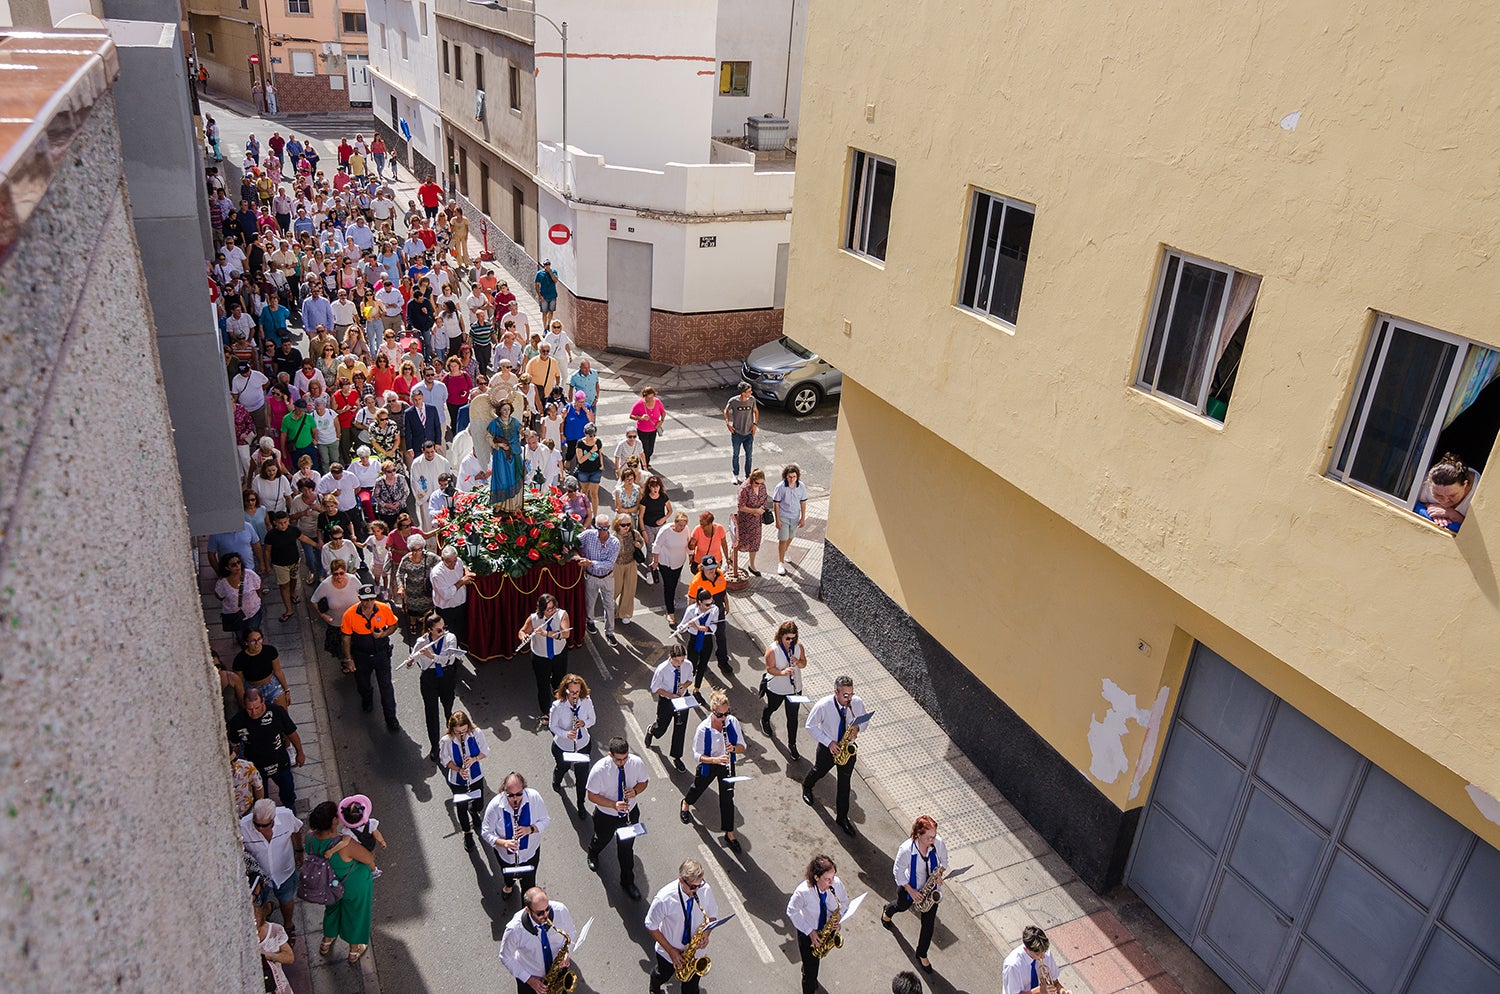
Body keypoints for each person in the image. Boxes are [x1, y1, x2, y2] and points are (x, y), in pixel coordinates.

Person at [305, 800, 375, 965]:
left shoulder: (309, 837)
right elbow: (369, 858)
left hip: (328, 886)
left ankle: (326, 942)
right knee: (356, 915)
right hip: (353, 887)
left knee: (331, 909)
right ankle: (353, 950)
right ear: (334, 821)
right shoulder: (344, 843)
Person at [881, 815, 949, 974]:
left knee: (929, 924)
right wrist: (911, 891)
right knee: (901, 906)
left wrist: (939, 875)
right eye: (928, 837)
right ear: (918, 834)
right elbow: (897, 872)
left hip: (930, 889)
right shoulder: (906, 849)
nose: (932, 840)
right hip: (910, 887)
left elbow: (944, 861)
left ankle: (922, 953)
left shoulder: (938, 842)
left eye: (934, 836)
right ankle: (887, 911)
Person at [680, 690, 746, 852]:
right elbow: (698, 755)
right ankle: (686, 803)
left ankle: (729, 833)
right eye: (720, 715)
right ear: (712, 710)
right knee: (698, 787)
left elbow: (742, 747)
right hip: (709, 763)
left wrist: (734, 749)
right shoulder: (703, 729)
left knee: (727, 797)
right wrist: (715, 760)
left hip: (726, 763)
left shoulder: (732, 722)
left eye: (726, 714)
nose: (724, 718)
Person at [801, 676, 867, 836]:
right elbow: (810, 726)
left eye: (851, 694)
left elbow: (865, 721)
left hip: (848, 748)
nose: (849, 698)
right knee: (819, 771)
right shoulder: (824, 705)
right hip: (828, 749)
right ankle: (807, 786)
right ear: (835, 692)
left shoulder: (856, 703)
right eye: (845, 695)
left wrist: (858, 729)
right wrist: (828, 742)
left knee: (844, 785)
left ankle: (842, 818)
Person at [585, 736, 649, 900]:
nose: (623, 762)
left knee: (626, 850)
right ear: (610, 755)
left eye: (625, 758)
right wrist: (613, 805)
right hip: (606, 815)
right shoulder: (599, 770)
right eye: (619, 759)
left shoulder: (635, 763)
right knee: (602, 839)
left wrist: (635, 791)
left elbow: (644, 782)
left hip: (629, 813)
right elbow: (592, 796)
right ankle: (593, 852)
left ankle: (628, 882)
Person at [645, 859, 719, 994]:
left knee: (691, 989)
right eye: (692, 887)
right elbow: (650, 925)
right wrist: (671, 951)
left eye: (699, 884)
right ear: (681, 880)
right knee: (663, 975)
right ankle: (654, 988)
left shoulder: (704, 889)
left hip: (695, 953)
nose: (696, 890)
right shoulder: (664, 898)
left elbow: (712, 916)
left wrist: (706, 935)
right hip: (668, 952)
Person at [228, 687, 306, 809]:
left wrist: (300, 752)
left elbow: (292, 732)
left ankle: (291, 815)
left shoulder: (277, 712)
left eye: (257, 708)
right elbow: (234, 745)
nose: (254, 712)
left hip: (280, 763)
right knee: (262, 801)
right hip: (256, 767)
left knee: (288, 794)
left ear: (263, 701)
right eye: (250, 709)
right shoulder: (237, 721)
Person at [405, 611, 467, 762]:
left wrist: (432, 656)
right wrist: (410, 662)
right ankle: (435, 746)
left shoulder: (450, 638)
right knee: (431, 713)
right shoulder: (422, 641)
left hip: (446, 676)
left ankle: (453, 737)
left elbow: (450, 660)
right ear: (429, 630)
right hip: (429, 679)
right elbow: (412, 662)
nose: (443, 631)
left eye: (444, 627)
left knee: (447, 708)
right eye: (439, 630)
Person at [240, 798, 304, 940]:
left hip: (285, 871)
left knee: (287, 899)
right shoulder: (243, 827)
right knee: (258, 905)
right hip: (261, 878)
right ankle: (267, 912)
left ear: (274, 819)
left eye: (265, 825)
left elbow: (296, 830)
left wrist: (299, 851)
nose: (260, 829)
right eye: (257, 825)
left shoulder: (286, 816)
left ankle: (288, 925)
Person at [786, 854, 851, 994]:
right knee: (810, 974)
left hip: (826, 929)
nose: (832, 882)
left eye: (833, 877)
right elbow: (792, 911)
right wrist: (810, 931)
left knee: (814, 962)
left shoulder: (836, 884)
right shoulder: (802, 892)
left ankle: (809, 968)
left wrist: (839, 916)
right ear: (816, 877)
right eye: (827, 879)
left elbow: (845, 902)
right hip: (808, 933)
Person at [342, 584, 402, 731]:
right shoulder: (349, 614)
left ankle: (391, 718)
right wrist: (348, 659)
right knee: (362, 684)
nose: (368, 603)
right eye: (364, 600)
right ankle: (367, 698)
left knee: (386, 686)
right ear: (359, 599)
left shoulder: (384, 609)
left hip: (381, 654)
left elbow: (394, 625)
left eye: (370, 599)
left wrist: (383, 634)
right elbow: (346, 638)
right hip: (361, 656)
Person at [482, 771, 551, 895]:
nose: (515, 799)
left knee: (529, 888)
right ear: (504, 791)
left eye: (519, 794)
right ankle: (509, 886)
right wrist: (504, 843)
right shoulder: (496, 805)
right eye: (510, 795)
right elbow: (486, 832)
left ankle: (525, 911)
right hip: (506, 857)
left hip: (530, 854)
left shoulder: (534, 797)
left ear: (524, 789)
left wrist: (530, 829)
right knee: (508, 877)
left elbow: (545, 820)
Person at [499, 887, 576, 994]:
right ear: (528, 910)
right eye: (540, 913)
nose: (546, 915)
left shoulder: (560, 910)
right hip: (531, 978)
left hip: (558, 970)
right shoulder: (514, 930)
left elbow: (571, 932)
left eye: (548, 908)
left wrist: (567, 952)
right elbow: (505, 957)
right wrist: (530, 980)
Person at [439, 710, 489, 850]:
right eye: (458, 732)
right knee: (461, 808)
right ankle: (467, 833)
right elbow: (445, 761)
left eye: (464, 731)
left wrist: (473, 759)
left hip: (476, 776)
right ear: (452, 729)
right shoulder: (446, 741)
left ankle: (473, 811)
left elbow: (485, 751)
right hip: (457, 781)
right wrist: (459, 770)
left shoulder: (476, 733)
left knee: (479, 804)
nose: (461, 735)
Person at [520, 593, 572, 725]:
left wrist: (547, 633)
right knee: (542, 684)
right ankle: (545, 712)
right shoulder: (534, 618)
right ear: (541, 609)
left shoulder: (562, 615)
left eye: (554, 608)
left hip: (558, 654)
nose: (552, 611)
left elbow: (566, 633)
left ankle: (560, 704)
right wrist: (523, 637)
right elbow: (522, 631)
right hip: (540, 656)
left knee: (559, 681)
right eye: (549, 609)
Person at [548, 674, 596, 812]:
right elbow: (553, 726)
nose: (575, 695)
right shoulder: (558, 706)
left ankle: (581, 804)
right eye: (572, 692)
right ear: (566, 690)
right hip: (563, 747)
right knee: (562, 768)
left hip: (582, 745)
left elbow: (592, 719)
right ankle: (556, 781)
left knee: (582, 777)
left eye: (578, 691)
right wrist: (566, 734)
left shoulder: (586, 700)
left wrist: (584, 723)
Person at [643, 644, 695, 773]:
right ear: (670, 657)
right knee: (661, 728)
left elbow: (690, 679)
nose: (679, 663)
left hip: (682, 700)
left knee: (680, 729)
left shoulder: (687, 665)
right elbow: (655, 688)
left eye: (682, 660)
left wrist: (684, 685)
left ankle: (677, 757)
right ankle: (652, 730)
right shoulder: (662, 669)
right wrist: (670, 695)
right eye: (676, 660)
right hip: (667, 701)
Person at [761, 620, 807, 759]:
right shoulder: (773, 649)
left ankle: (792, 745)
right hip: (777, 688)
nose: (790, 641)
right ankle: (765, 719)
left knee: (793, 718)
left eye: (793, 638)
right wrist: (783, 672)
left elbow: (804, 663)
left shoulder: (798, 647)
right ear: (781, 636)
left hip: (795, 688)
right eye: (787, 638)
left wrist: (798, 661)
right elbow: (769, 669)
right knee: (773, 707)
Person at [576, 513, 621, 648]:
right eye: (600, 528)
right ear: (596, 526)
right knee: (590, 601)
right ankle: (590, 621)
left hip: (607, 577)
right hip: (591, 576)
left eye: (606, 528)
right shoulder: (589, 535)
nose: (603, 531)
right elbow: (575, 541)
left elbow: (609, 563)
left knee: (609, 605)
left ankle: (610, 632)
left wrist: (591, 562)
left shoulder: (614, 542)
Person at [686, 558, 731, 678]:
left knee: (721, 637)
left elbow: (723, 592)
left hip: (718, 613)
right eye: (709, 569)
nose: (712, 571)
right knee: (703, 640)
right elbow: (690, 600)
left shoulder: (720, 575)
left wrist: (726, 604)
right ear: (703, 568)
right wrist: (693, 616)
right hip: (703, 616)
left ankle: (723, 661)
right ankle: (702, 663)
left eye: (714, 568)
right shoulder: (696, 581)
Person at [1416, 452, 1480, 532]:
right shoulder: (1423, 486)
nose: (1444, 501)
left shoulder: (1479, 494)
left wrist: (1454, 515)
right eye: (1438, 495)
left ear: (1465, 484)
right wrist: (1429, 507)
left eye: (1452, 495)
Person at [313, 558, 362, 660]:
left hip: (355, 623)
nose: (339, 576)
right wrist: (322, 615)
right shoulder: (325, 585)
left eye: (341, 573)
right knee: (341, 649)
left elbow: (363, 596)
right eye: (336, 574)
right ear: (331, 573)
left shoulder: (353, 580)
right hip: (337, 625)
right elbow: (314, 600)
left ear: (345, 571)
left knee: (358, 648)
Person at [394, 535, 441, 642]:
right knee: (412, 610)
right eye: (414, 550)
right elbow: (399, 574)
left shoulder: (429, 557)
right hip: (411, 590)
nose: (416, 553)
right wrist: (400, 586)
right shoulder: (405, 559)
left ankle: (427, 624)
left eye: (419, 549)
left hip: (425, 589)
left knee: (428, 608)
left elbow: (441, 564)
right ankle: (413, 623)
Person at [234, 628, 292, 711]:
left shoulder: (270, 651)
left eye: (259, 639)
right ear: (246, 642)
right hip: (253, 690)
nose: (257, 644)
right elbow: (238, 683)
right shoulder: (240, 659)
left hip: (272, 686)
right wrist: (243, 701)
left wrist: (287, 690)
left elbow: (278, 671)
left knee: (282, 714)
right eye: (253, 641)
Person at [675, 588, 721, 691]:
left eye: (711, 603)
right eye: (707, 604)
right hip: (694, 640)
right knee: (691, 666)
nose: (710, 606)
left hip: (707, 640)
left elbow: (713, 628)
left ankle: (697, 688)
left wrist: (697, 627)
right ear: (699, 602)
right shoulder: (691, 610)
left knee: (703, 665)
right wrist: (681, 628)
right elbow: (683, 624)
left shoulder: (714, 609)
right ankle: (685, 687)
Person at [430, 544, 475, 647]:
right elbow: (446, 595)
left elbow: (463, 566)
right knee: (446, 637)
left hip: (460, 605)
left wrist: (466, 571)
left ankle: (455, 654)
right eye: (449, 562)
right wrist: (461, 582)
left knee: (458, 633)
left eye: (454, 561)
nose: (453, 564)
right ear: (442, 559)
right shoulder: (437, 573)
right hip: (446, 609)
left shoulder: (458, 561)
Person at [652, 511, 692, 625]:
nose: (682, 528)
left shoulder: (686, 530)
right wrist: (655, 561)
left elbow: (688, 544)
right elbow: (657, 546)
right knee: (668, 586)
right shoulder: (666, 530)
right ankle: (670, 612)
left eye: (684, 525)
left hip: (679, 562)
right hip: (665, 563)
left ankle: (671, 600)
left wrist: (690, 557)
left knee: (674, 584)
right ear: (675, 522)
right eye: (680, 525)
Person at [214, 553, 263, 645]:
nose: (237, 566)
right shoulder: (222, 582)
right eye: (233, 565)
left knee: (252, 636)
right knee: (241, 638)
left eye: (238, 562)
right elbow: (219, 595)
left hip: (253, 612)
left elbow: (258, 587)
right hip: (234, 616)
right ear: (227, 568)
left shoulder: (250, 574)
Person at [772, 464, 809, 575]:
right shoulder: (780, 487)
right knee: (783, 539)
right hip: (783, 516)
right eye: (789, 477)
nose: (792, 479)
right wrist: (777, 520)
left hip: (795, 516)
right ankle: (781, 562)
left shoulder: (801, 486)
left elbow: (803, 502)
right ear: (785, 476)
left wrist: (803, 517)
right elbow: (776, 504)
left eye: (794, 476)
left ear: (797, 476)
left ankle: (784, 551)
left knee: (790, 537)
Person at [1002, 925, 1062, 994]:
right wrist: (1039, 991)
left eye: (1044, 951)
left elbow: (1055, 982)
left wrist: (1062, 991)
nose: (1043, 956)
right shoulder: (1012, 966)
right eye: (1038, 954)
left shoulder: (1044, 952)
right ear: (1026, 949)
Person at [255, 893, 295, 994]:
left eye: (257, 930)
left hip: (279, 985)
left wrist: (268, 955)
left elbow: (290, 957)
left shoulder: (274, 930)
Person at [488, 399, 525, 510]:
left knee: (514, 477)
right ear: (500, 411)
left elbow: (521, 431)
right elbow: (488, 437)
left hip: (513, 453)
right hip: (500, 456)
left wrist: (525, 432)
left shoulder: (514, 421)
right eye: (504, 409)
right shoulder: (495, 423)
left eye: (508, 409)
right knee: (502, 478)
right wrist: (498, 445)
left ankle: (514, 504)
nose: (506, 411)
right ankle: (501, 504)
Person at [734, 469, 769, 577]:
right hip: (745, 520)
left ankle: (752, 565)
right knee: (739, 542)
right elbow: (741, 506)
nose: (759, 485)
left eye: (761, 483)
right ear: (752, 480)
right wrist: (755, 511)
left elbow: (765, 498)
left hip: (756, 520)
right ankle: (732, 562)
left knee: (755, 542)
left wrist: (762, 509)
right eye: (757, 483)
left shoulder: (762, 486)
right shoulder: (744, 488)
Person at [724, 381, 758, 483]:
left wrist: (755, 424)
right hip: (737, 433)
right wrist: (728, 423)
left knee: (749, 456)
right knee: (736, 454)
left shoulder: (752, 400)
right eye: (749, 391)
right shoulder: (733, 401)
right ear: (743, 393)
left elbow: (756, 411)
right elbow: (726, 410)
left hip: (749, 433)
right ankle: (735, 474)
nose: (751, 393)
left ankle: (748, 475)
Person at [612, 512, 643, 625]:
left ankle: (624, 613)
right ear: (617, 524)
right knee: (615, 589)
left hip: (631, 563)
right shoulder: (613, 537)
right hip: (617, 565)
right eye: (623, 525)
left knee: (629, 590)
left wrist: (639, 545)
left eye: (628, 524)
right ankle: (609, 607)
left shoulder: (634, 534)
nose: (626, 527)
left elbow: (641, 541)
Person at [629, 387, 666, 472]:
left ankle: (645, 461)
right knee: (645, 448)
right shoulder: (639, 404)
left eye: (652, 397)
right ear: (644, 396)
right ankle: (644, 465)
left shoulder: (657, 401)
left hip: (653, 429)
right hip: (642, 430)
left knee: (650, 449)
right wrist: (641, 418)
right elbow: (631, 415)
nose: (650, 399)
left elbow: (663, 412)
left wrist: (661, 421)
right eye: (648, 398)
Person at [574, 423, 604, 515]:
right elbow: (581, 460)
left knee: (594, 494)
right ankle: (583, 512)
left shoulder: (598, 442)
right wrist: (591, 451)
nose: (592, 437)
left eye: (593, 435)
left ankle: (595, 515)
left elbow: (600, 454)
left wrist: (602, 464)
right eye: (590, 435)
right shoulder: (580, 443)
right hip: (584, 471)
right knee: (584, 492)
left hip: (596, 471)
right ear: (585, 433)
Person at [534, 259, 559, 327]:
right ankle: (545, 327)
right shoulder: (539, 273)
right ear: (543, 265)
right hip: (544, 296)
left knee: (551, 311)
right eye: (545, 264)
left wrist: (550, 272)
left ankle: (548, 325)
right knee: (544, 312)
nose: (547, 266)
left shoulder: (554, 272)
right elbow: (536, 285)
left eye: (548, 264)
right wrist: (539, 295)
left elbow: (555, 280)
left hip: (552, 295)